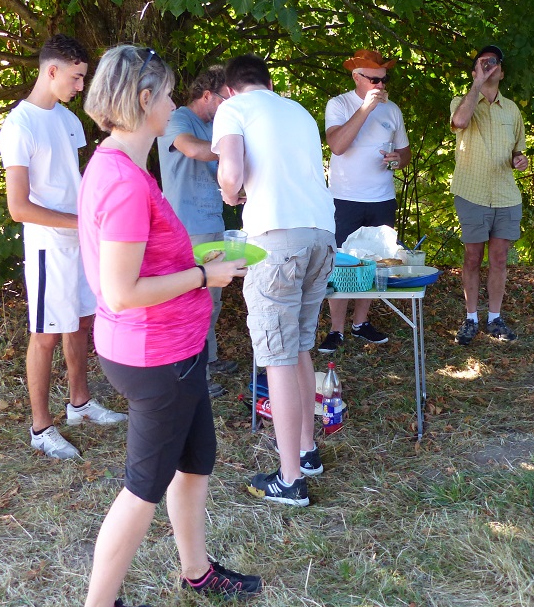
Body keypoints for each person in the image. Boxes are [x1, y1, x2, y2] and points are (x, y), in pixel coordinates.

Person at [65, 46, 258, 607]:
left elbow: (142, 260)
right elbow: (121, 292)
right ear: (145, 99)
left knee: (196, 460)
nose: (175, 104)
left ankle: (197, 572)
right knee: (143, 486)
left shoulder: (117, 163)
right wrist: (204, 276)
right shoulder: (124, 180)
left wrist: (196, 259)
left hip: (175, 348)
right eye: (169, 94)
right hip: (154, 356)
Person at [212, 54, 336, 508]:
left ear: (229, 89)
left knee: (277, 357)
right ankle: (307, 452)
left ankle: (290, 481)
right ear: (268, 83)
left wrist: (230, 193)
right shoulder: (297, 110)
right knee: (299, 346)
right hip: (322, 235)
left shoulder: (233, 109)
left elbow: (230, 173)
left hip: (277, 239)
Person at [0, 34, 126, 461]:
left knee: (81, 322)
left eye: (83, 78)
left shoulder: (68, 119)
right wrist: (81, 223)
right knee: (46, 335)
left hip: (79, 242)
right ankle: (41, 428)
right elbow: (18, 207)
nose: (80, 86)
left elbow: (75, 180)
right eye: (76, 77)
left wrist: (96, 211)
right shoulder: (19, 126)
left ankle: (80, 405)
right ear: (51, 70)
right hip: (47, 248)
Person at [317, 49, 411, 354]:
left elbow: (405, 153)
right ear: (356, 77)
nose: (381, 86)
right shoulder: (339, 104)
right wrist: (366, 108)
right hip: (345, 198)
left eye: (384, 80)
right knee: (341, 262)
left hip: (382, 197)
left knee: (375, 260)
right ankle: (336, 329)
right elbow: (337, 145)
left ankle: (361, 323)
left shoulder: (392, 110)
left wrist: (398, 160)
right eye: (374, 80)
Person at [157, 66, 237, 398]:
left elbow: (219, 172)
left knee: (211, 299)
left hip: (212, 222)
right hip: (186, 228)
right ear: (207, 95)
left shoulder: (214, 125)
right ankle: (193, 373)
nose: (229, 107)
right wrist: (234, 149)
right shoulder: (178, 120)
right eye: (225, 100)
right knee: (191, 301)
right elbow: (192, 149)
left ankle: (209, 358)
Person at [449, 45, 528, 345]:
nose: (489, 66)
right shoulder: (462, 101)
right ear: (474, 72)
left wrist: (520, 160)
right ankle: (470, 318)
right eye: (483, 63)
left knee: (499, 258)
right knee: (472, 257)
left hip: (506, 195)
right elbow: (459, 122)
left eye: (494, 63)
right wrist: (477, 84)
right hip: (472, 192)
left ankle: (495, 318)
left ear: (502, 72)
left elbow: (518, 151)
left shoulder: (512, 110)